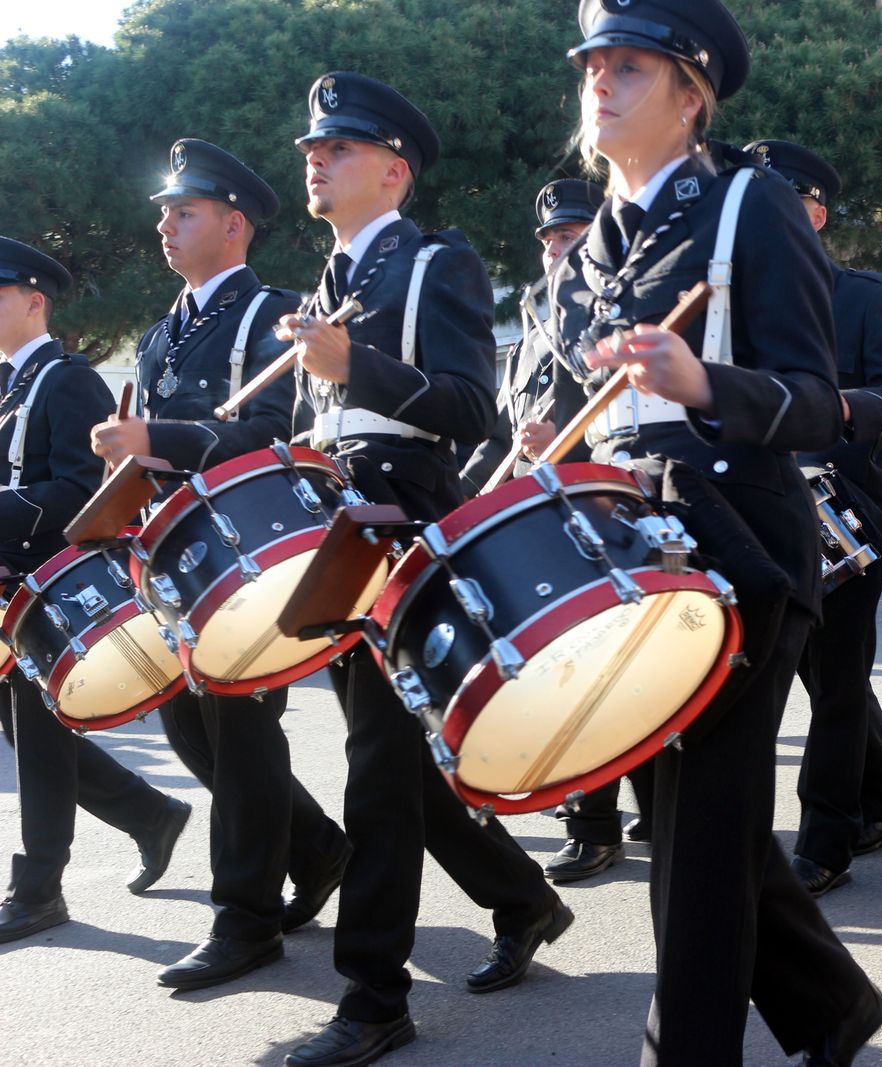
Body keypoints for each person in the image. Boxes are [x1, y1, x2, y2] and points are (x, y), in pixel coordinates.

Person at [550, 3, 882, 1061]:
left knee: (692, 846)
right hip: (625, 560)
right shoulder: (588, 245)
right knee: (706, 820)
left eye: (630, 67)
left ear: (691, 93)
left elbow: (821, 401)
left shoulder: (752, 204)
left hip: (740, 550)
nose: (600, 83)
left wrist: (707, 385)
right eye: (593, 65)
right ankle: (832, 1005)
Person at [264, 73, 570, 1067]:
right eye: (313, 149)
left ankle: (374, 996)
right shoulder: (325, 282)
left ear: (393, 171)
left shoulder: (438, 259)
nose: (316, 159)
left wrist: (354, 365)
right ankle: (522, 897)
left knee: (379, 776)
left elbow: (470, 410)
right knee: (391, 757)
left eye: (338, 149)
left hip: (406, 530)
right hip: (344, 529)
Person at [89, 139, 352, 990]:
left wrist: (158, 440)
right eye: (165, 211)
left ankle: (245, 917)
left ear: (233, 224)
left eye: (184, 211)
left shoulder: (271, 311)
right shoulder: (165, 331)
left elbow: (280, 433)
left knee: (241, 730)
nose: (164, 223)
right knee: (188, 726)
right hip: (180, 557)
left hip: (255, 550)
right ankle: (316, 849)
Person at [461, 177, 656, 883]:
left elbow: (620, 420)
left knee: (598, 672)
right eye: (548, 240)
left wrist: (562, 448)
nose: (556, 250)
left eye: (571, 237)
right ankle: (629, 810)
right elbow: (500, 436)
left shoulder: (608, 324)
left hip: (599, 514)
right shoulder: (529, 338)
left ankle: (598, 824)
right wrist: (464, 498)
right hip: (539, 522)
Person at [744, 138, 882, 896]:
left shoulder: (865, 295)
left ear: (813, 212)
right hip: (756, 505)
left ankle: (826, 839)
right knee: (813, 672)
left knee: (839, 675)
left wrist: (841, 411)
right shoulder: (733, 299)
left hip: (842, 506)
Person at [0, 237, 191, 944]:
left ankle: (38, 888)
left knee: (40, 731)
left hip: (53, 587)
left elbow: (80, 491)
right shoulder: (8, 382)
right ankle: (149, 813)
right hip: (12, 585)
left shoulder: (66, 378)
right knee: (23, 725)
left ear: (33, 301)